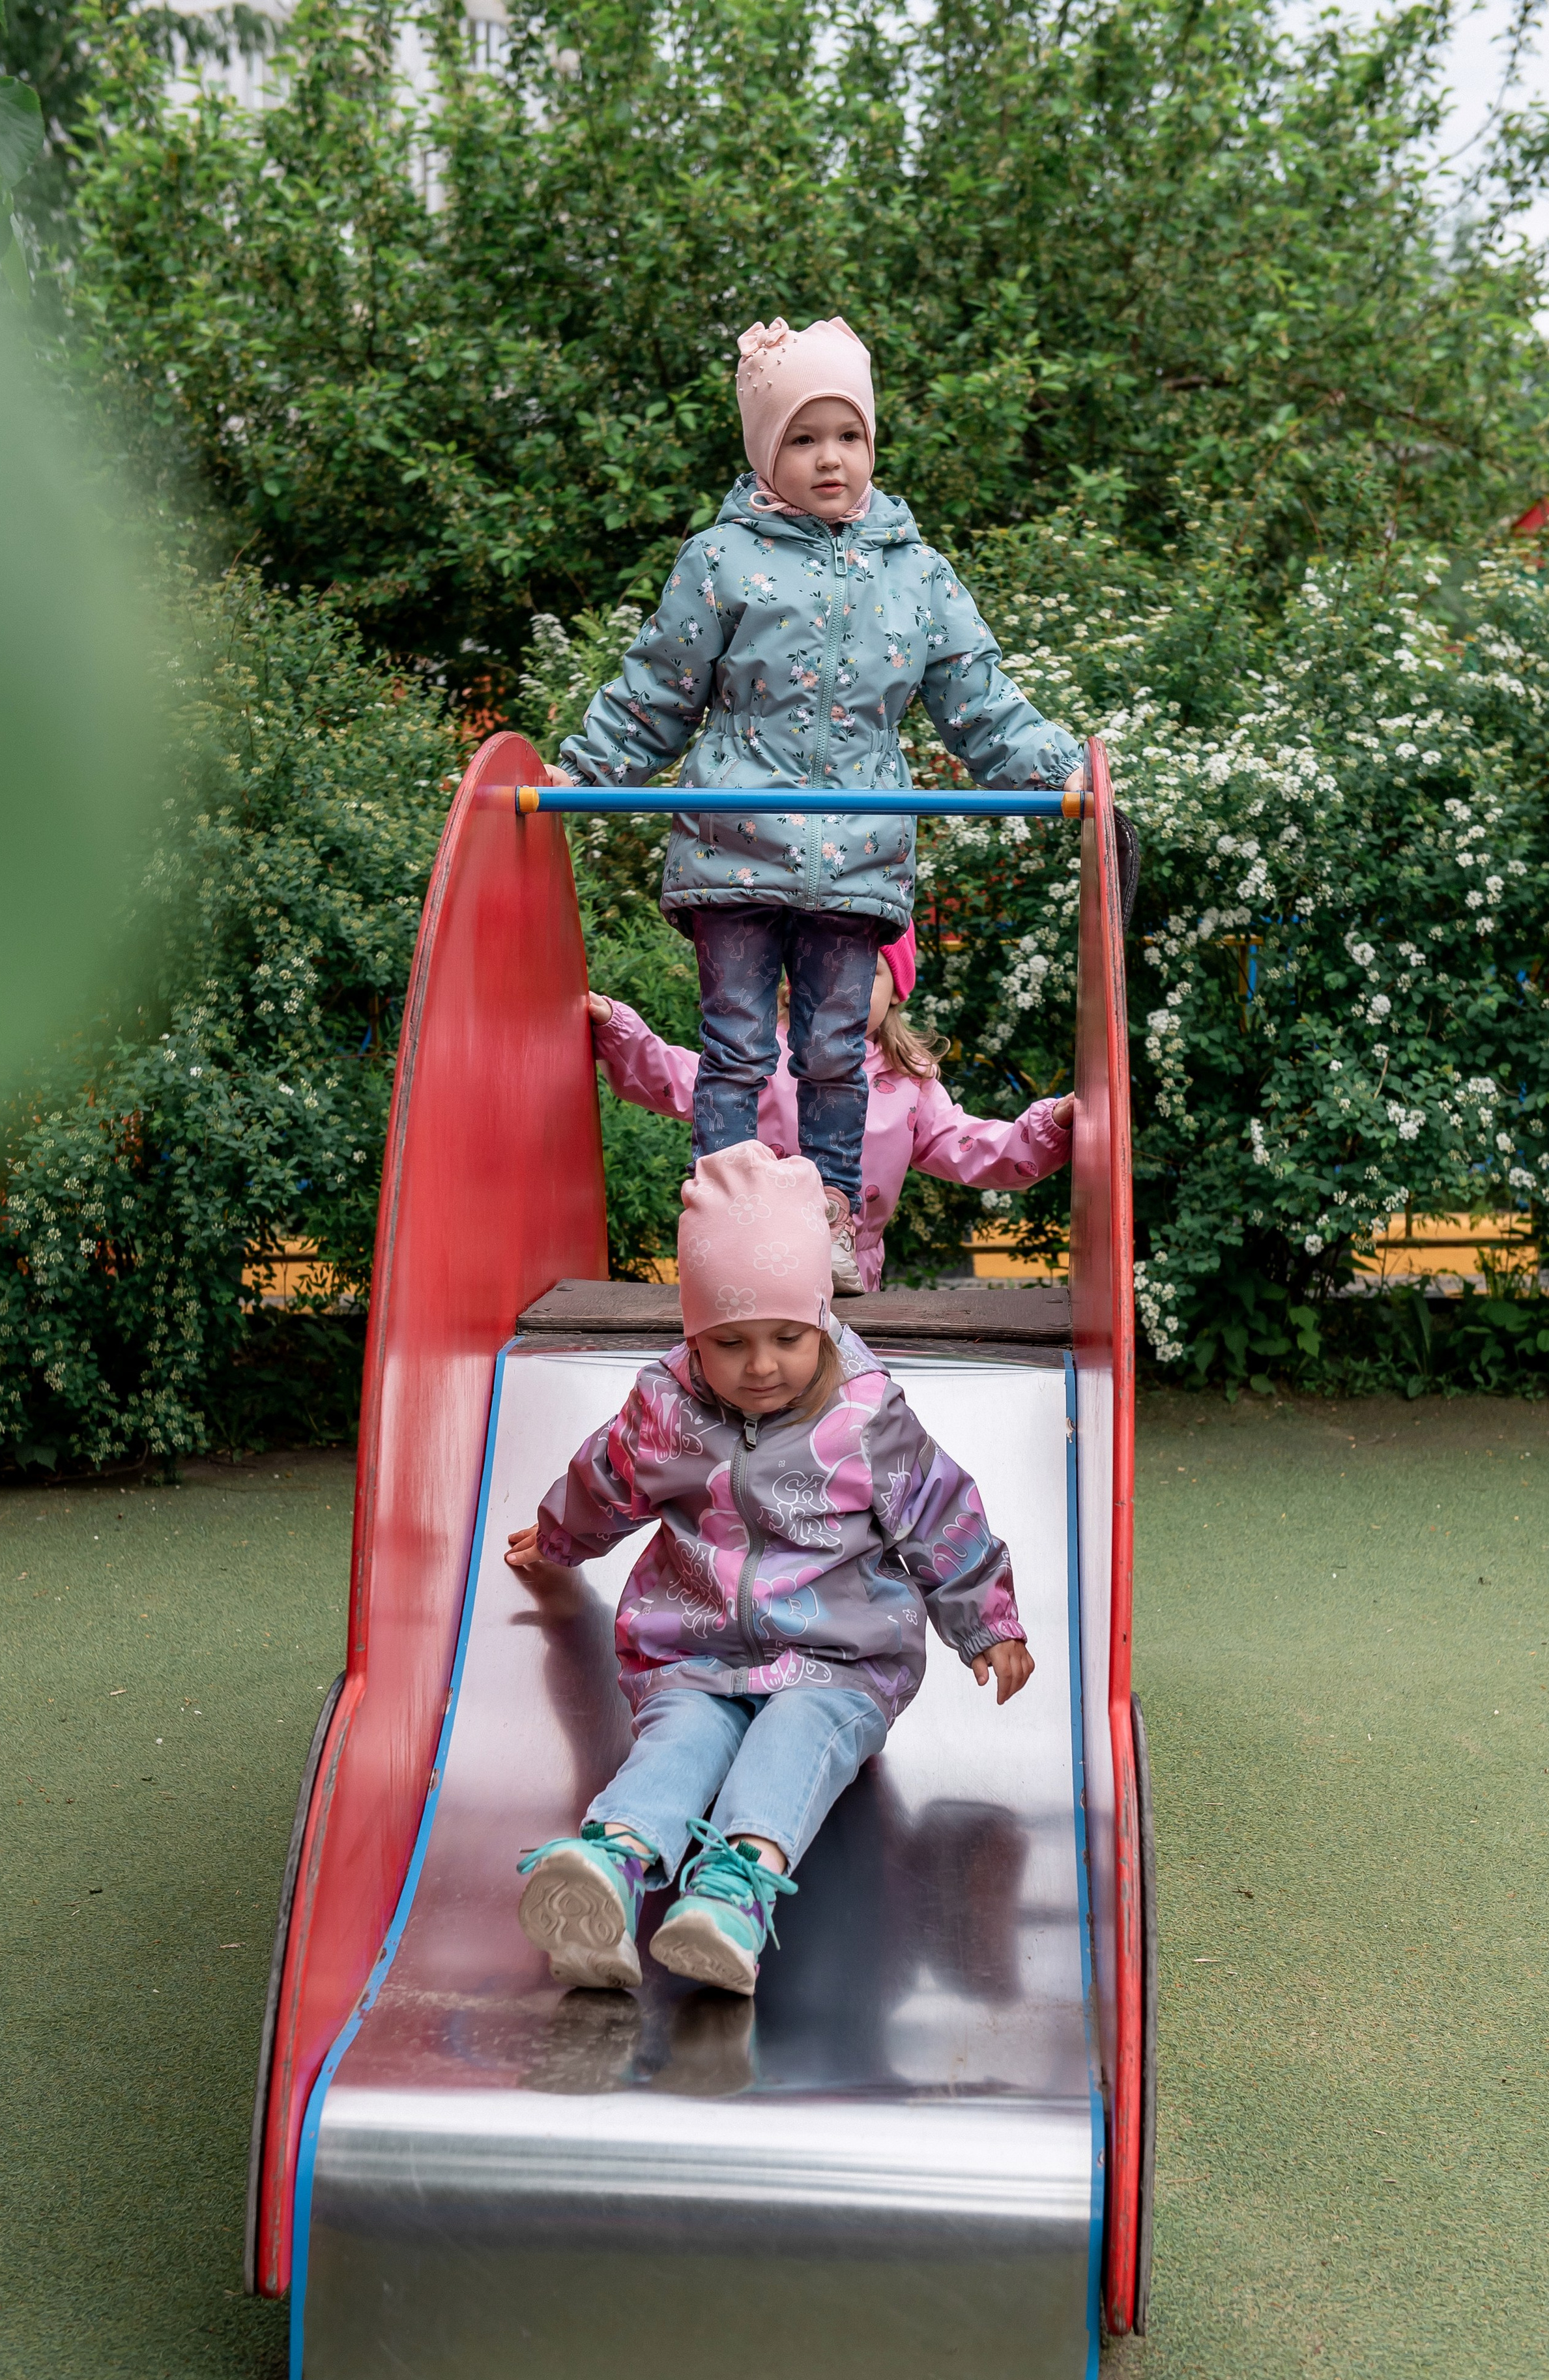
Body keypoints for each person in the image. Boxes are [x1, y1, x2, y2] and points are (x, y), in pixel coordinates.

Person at [549, 313, 1084, 1291]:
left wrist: (1056, 766)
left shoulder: (917, 574)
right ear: (765, 451)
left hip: (858, 857)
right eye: (802, 437)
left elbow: (979, 698)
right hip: (734, 847)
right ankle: (729, 1212)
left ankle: (829, 1224)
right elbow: (657, 688)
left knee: (838, 1050)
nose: (829, 458)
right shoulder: (720, 561)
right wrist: (575, 775)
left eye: (849, 435)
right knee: (738, 1047)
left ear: (873, 443)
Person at [506, 1139, 1034, 1999]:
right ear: (694, 1334)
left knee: (792, 1736)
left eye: (787, 1337)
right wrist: (556, 1539)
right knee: (679, 1739)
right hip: (695, 1651)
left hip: (840, 1658)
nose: (760, 1364)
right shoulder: (665, 1407)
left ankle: (733, 1890)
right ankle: (613, 1862)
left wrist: (987, 1620)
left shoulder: (865, 1417)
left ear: (821, 1320)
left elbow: (941, 1509)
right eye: (729, 1341)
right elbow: (605, 1479)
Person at [587, 918, 1075, 1294]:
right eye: (829, 972)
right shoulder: (758, 1058)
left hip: (849, 1271)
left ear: (897, 993)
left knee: (837, 1393)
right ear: (795, 984)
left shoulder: (909, 1084)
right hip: (756, 1258)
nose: (849, 987)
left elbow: (969, 1146)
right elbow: (675, 1078)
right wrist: (617, 1030)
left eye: (871, 972)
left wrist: (1051, 1128)